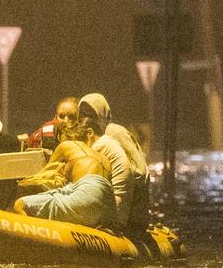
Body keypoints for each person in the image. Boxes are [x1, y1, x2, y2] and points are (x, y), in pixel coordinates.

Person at [13, 121, 116, 229]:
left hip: (85, 199)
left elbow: (43, 177)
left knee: (21, 205)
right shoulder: (103, 158)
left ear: (61, 136)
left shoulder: (66, 146)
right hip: (106, 210)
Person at [78, 93, 150, 235]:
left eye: (91, 114)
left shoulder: (114, 131)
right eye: (83, 114)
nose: (86, 118)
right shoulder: (91, 136)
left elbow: (139, 171)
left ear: (102, 113)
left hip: (132, 212)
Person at [80, 116, 133, 230]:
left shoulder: (98, 147)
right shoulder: (108, 142)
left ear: (90, 133)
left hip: (114, 216)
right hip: (122, 214)